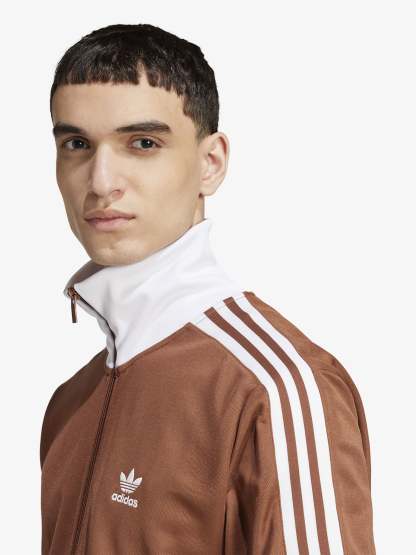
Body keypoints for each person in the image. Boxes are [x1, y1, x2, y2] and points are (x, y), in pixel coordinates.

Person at [40, 23, 376, 554]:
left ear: (210, 164)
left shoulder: (276, 387)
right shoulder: (69, 404)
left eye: (143, 143)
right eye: (77, 144)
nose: (101, 181)